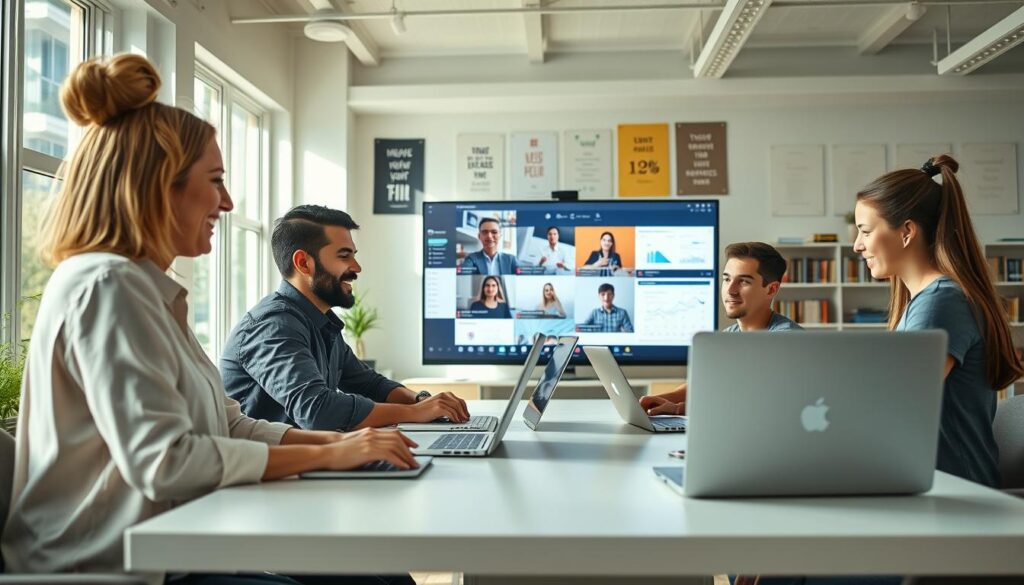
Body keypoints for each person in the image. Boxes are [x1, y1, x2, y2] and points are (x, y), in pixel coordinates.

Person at [1, 53, 419, 585]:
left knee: (373, 576)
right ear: (157, 185)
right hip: (113, 569)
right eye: (216, 180)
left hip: (175, 552)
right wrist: (336, 453)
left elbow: (231, 425)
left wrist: (342, 447)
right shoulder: (108, 287)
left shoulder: (147, 290)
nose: (227, 201)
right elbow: (166, 462)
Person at [221, 205, 471, 432]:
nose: (357, 267)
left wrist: (422, 401)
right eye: (344, 256)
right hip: (267, 476)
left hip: (308, 466)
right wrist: (414, 413)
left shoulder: (320, 321)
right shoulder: (273, 325)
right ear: (303, 263)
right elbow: (317, 411)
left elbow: (370, 383)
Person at [854, 155, 1023, 489]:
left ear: (906, 232)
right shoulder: (925, 302)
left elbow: (897, 404)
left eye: (865, 231)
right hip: (932, 482)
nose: (858, 246)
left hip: (956, 494)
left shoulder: (940, 303)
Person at [640, 242, 801, 416]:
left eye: (744, 281)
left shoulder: (787, 340)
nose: (730, 290)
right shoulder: (727, 337)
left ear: (771, 289)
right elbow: (701, 384)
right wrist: (650, 401)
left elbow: (754, 400)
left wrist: (679, 409)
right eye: (727, 279)